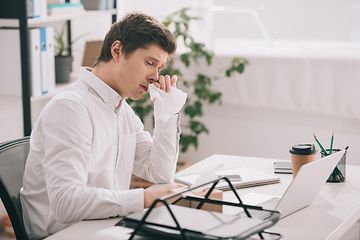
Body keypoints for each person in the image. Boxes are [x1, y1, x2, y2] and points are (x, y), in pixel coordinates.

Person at [20, 12, 186, 239]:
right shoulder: (70, 108)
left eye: (159, 68)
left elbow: (160, 174)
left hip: (105, 228)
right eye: (149, 63)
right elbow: (65, 202)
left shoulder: (122, 111)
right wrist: (144, 198)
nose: (155, 77)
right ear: (117, 51)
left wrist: (167, 114)